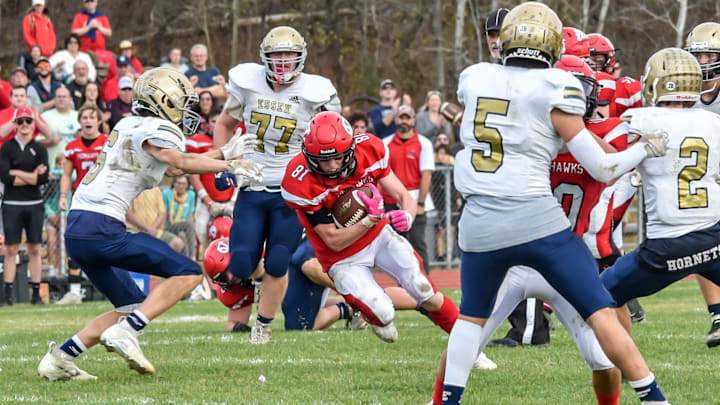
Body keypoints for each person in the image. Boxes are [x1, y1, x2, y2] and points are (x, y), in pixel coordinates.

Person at [440, 3, 671, 405]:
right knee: (601, 311)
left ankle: (445, 400)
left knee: (471, 318)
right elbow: (602, 166)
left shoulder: (474, 77)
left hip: (479, 222)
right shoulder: (556, 86)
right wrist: (644, 150)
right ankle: (654, 399)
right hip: (537, 224)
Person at [36, 67, 261, 380]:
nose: (185, 111)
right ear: (163, 101)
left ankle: (60, 357)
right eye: (180, 103)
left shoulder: (130, 124)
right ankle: (126, 333)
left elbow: (170, 169)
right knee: (191, 272)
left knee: (130, 305)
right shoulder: (156, 128)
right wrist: (229, 164)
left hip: (78, 228)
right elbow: (179, 161)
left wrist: (221, 151)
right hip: (101, 226)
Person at [282, 111, 460, 344]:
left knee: (424, 289)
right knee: (384, 313)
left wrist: (407, 215)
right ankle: (372, 314)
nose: (333, 166)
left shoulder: (369, 150)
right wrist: (370, 219)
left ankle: (470, 347)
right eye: (324, 160)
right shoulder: (300, 180)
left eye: (338, 157)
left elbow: (402, 194)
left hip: (378, 237)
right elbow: (333, 240)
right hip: (341, 258)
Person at [213, 26, 341, 344]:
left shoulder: (317, 91)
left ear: (301, 58)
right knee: (241, 264)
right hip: (253, 185)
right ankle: (255, 293)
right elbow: (225, 123)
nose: (283, 61)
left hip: (292, 189)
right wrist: (224, 161)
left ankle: (263, 324)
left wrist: (326, 178)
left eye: (289, 55)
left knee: (278, 261)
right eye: (276, 55)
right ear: (264, 57)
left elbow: (335, 136)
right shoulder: (248, 83)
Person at [600, 46, 720, 354]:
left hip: (666, 246)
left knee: (598, 294)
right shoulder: (713, 123)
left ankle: (627, 366)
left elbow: (607, 166)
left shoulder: (641, 119)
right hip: (714, 238)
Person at [685, 22, 720, 347]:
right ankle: (718, 315)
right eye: (699, 56)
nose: (705, 62)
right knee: (702, 247)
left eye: (711, 54)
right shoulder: (683, 94)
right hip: (701, 183)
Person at [56, 104, 107, 305]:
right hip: (81, 199)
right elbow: (67, 175)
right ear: (79, 121)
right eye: (84, 117)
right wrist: (62, 195)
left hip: (104, 199)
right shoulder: (72, 147)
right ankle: (74, 290)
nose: (87, 121)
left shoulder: (107, 143)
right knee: (74, 240)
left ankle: (108, 286)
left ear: (99, 121)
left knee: (106, 241)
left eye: (91, 117)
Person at [0, 106, 49, 306]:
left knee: (35, 248)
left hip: (34, 203)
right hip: (12, 204)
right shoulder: (6, 148)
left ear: (33, 123)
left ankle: (36, 293)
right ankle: (8, 295)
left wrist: (17, 173)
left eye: (28, 121)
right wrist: (31, 176)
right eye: (20, 121)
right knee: (11, 249)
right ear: (15, 124)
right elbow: (5, 177)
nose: (25, 125)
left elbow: (43, 178)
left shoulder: (40, 148)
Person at [382, 105, 434, 272]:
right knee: (397, 245)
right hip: (391, 199)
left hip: (414, 197)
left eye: (407, 118)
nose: (404, 121)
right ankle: (402, 282)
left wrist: (420, 203)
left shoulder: (424, 143)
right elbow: (380, 174)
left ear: (413, 120)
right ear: (396, 119)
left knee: (418, 241)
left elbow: (426, 175)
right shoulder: (386, 143)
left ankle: (424, 278)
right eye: (401, 117)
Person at [187, 109, 235, 253]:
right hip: (206, 201)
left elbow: (241, 174)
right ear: (207, 124)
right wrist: (208, 202)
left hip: (230, 201)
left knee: (231, 241)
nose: (217, 124)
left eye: (220, 121)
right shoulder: (198, 142)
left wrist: (233, 201)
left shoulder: (232, 143)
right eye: (214, 121)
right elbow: (194, 175)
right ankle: (201, 274)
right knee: (201, 238)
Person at [40, 87, 80, 165]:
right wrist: (50, 142)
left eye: (64, 96)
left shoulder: (79, 116)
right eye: (58, 97)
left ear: (70, 99)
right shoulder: (45, 116)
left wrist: (81, 137)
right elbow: (37, 141)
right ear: (54, 99)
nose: (61, 99)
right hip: (53, 166)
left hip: (76, 166)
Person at [162, 176, 197, 258]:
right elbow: (162, 212)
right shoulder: (167, 194)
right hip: (169, 225)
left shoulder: (191, 194)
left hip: (184, 228)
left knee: (182, 235)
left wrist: (192, 231)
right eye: (178, 183)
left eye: (184, 184)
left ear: (187, 185)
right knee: (189, 224)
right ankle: (192, 258)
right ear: (174, 184)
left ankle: (186, 260)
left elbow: (190, 214)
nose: (181, 186)